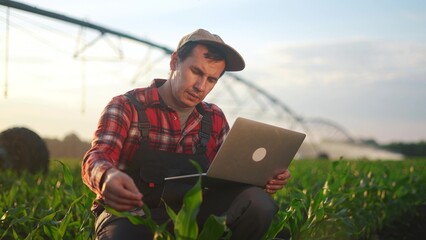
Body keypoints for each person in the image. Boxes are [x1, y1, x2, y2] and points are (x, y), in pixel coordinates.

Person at [81, 28, 291, 240]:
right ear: (174, 62)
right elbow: (98, 155)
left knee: (258, 204)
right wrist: (108, 176)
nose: (201, 87)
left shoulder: (215, 118)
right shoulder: (127, 106)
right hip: (132, 214)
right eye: (196, 72)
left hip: (193, 214)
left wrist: (261, 179)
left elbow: (230, 178)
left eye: (211, 80)